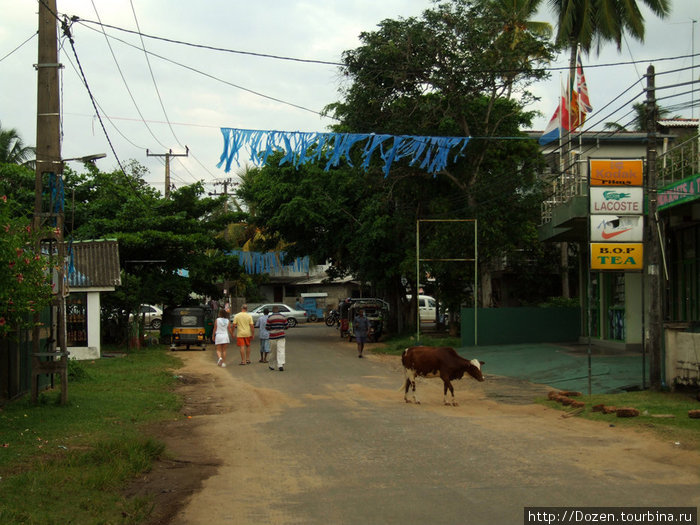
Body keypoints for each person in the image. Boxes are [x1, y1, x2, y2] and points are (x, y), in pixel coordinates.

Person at [266, 305, 289, 371]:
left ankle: (271, 365)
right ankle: (280, 365)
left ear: (272, 310)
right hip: (281, 335)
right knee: (281, 350)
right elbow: (287, 326)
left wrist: (272, 328)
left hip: (272, 336)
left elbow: (267, 327)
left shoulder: (270, 317)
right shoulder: (283, 317)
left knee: (272, 351)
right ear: (278, 310)